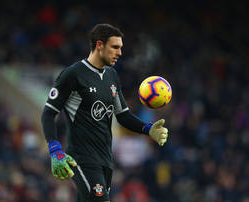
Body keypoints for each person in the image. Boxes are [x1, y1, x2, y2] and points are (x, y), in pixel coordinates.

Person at [41, 23, 169, 202]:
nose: (120, 53)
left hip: (105, 159)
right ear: (99, 45)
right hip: (82, 157)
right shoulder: (73, 75)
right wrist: (54, 150)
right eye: (115, 47)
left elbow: (123, 115)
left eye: (121, 48)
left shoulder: (112, 76)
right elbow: (48, 113)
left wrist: (148, 129)